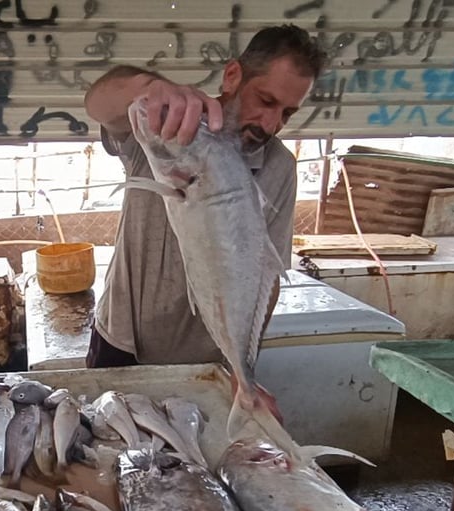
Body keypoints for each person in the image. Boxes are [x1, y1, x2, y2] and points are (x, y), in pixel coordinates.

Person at [83, 24, 327, 373]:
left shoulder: (279, 167)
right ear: (232, 76)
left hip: (209, 360)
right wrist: (149, 87)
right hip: (121, 341)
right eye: (266, 101)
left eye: (287, 113)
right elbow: (98, 103)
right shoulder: (166, 125)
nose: (271, 123)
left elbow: (267, 277)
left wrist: (244, 365)